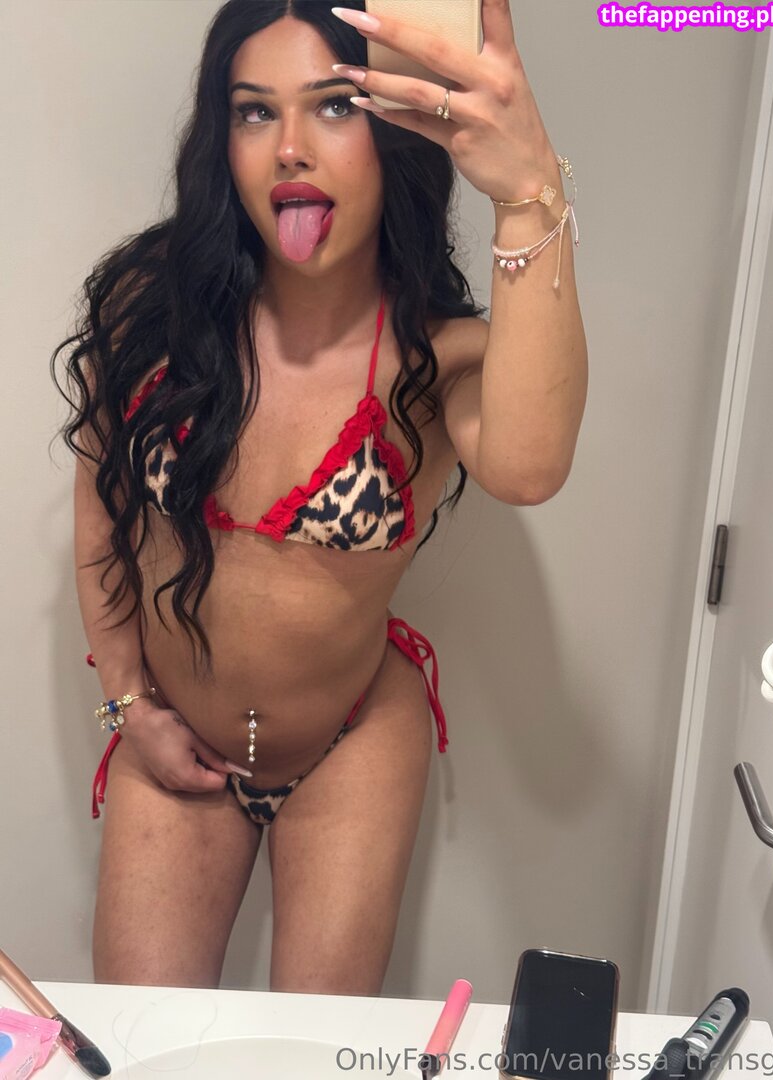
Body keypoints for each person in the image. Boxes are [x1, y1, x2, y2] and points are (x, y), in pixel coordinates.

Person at [51, 0, 587, 993]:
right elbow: (101, 508)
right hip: (173, 741)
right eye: (255, 111)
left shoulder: (440, 359)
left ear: (397, 131)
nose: (289, 147)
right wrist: (127, 699)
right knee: (140, 1043)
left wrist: (529, 192)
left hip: (352, 748)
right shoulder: (152, 316)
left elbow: (529, 467)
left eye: (335, 105)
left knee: (314, 1049)